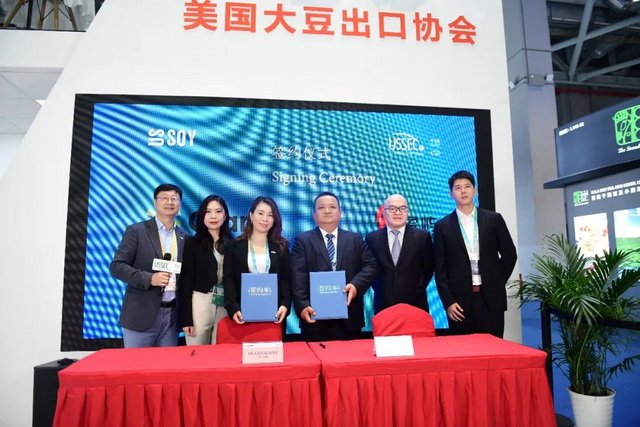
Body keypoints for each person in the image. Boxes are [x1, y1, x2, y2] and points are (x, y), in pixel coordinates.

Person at [434, 171, 517, 338]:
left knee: (493, 347)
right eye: (458, 188)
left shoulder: (493, 219)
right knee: (463, 349)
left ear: (475, 190)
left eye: (467, 186)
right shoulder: (442, 226)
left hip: (490, 298)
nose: (463, 191)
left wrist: (496, 281)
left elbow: (510, 254)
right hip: (459, 303)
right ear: (451, 194)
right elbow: (440, 268)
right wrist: (448, 301)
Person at [291, 191, 378, 342]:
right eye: (321, 207)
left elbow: (371, 266)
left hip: (349, 317)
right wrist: (302, 305)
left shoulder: (355, 239)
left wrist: (356, 285)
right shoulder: (302, 241)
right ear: (314, 215)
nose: (327, 211)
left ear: (340, 213)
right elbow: (297, 276)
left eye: (332, 207)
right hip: (314, 316)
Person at [110, 183, 189, 347]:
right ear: (155, 202)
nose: (169, 202)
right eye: (164, 198)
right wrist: (149, 279)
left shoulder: (185, 237)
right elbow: (117, 266)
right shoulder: (137, 231)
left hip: (172, 317)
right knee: (136, 363)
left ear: (180, 204)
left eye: (174, 198)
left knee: (165, 364)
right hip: (141, 313)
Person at [223, 196, 290, 326]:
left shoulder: (281, 246)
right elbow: (229, 278)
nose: (265, 219)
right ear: (251, 215)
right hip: (242, 314)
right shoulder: (234, 245)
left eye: (270, 215)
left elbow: (286, 279)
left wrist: (284, 305)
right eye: (260, 213)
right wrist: (233, 307)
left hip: (275, 313)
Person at [365, 194, 435, 313]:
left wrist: (416, 288)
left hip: (415, 305)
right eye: (392, 209)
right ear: (384, 212)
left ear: (407, 212)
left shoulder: (422, 237)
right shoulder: (372, 238)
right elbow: (370, 269)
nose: (398, 212)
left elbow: (429, 268)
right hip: (384, 306)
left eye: (402, 208)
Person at [179, 195, 234, 345]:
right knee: (197, 351)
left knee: (221, 350)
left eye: (218, 211)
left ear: (225, 215)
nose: (213, 216)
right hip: (200, 301)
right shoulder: (192, 243)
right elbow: (186, 281)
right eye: (208, 212)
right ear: (202, 215)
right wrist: (186, 319)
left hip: (225, 303)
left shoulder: (233, 243)